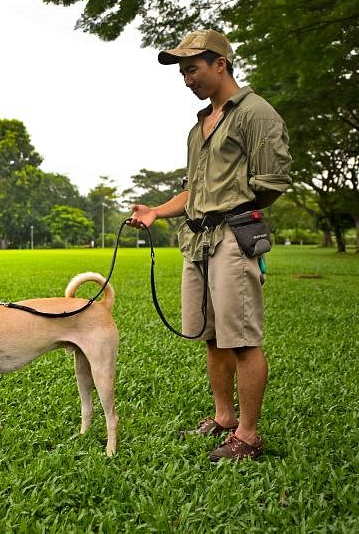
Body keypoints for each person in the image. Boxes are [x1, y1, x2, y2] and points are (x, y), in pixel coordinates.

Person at [128, 30, 292, 461]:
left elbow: (272, 182)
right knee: (212, 338)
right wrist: (157, 212)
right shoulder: (198, 125)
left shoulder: (256, 114)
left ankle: (248, 436)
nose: (187, 79)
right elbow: (195, 191)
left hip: (234, 239)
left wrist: (231, 209)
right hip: (197, 241)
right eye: (182, 72)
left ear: (221, 63)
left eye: (193, 69)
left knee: (242, 340)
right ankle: (223, 418)